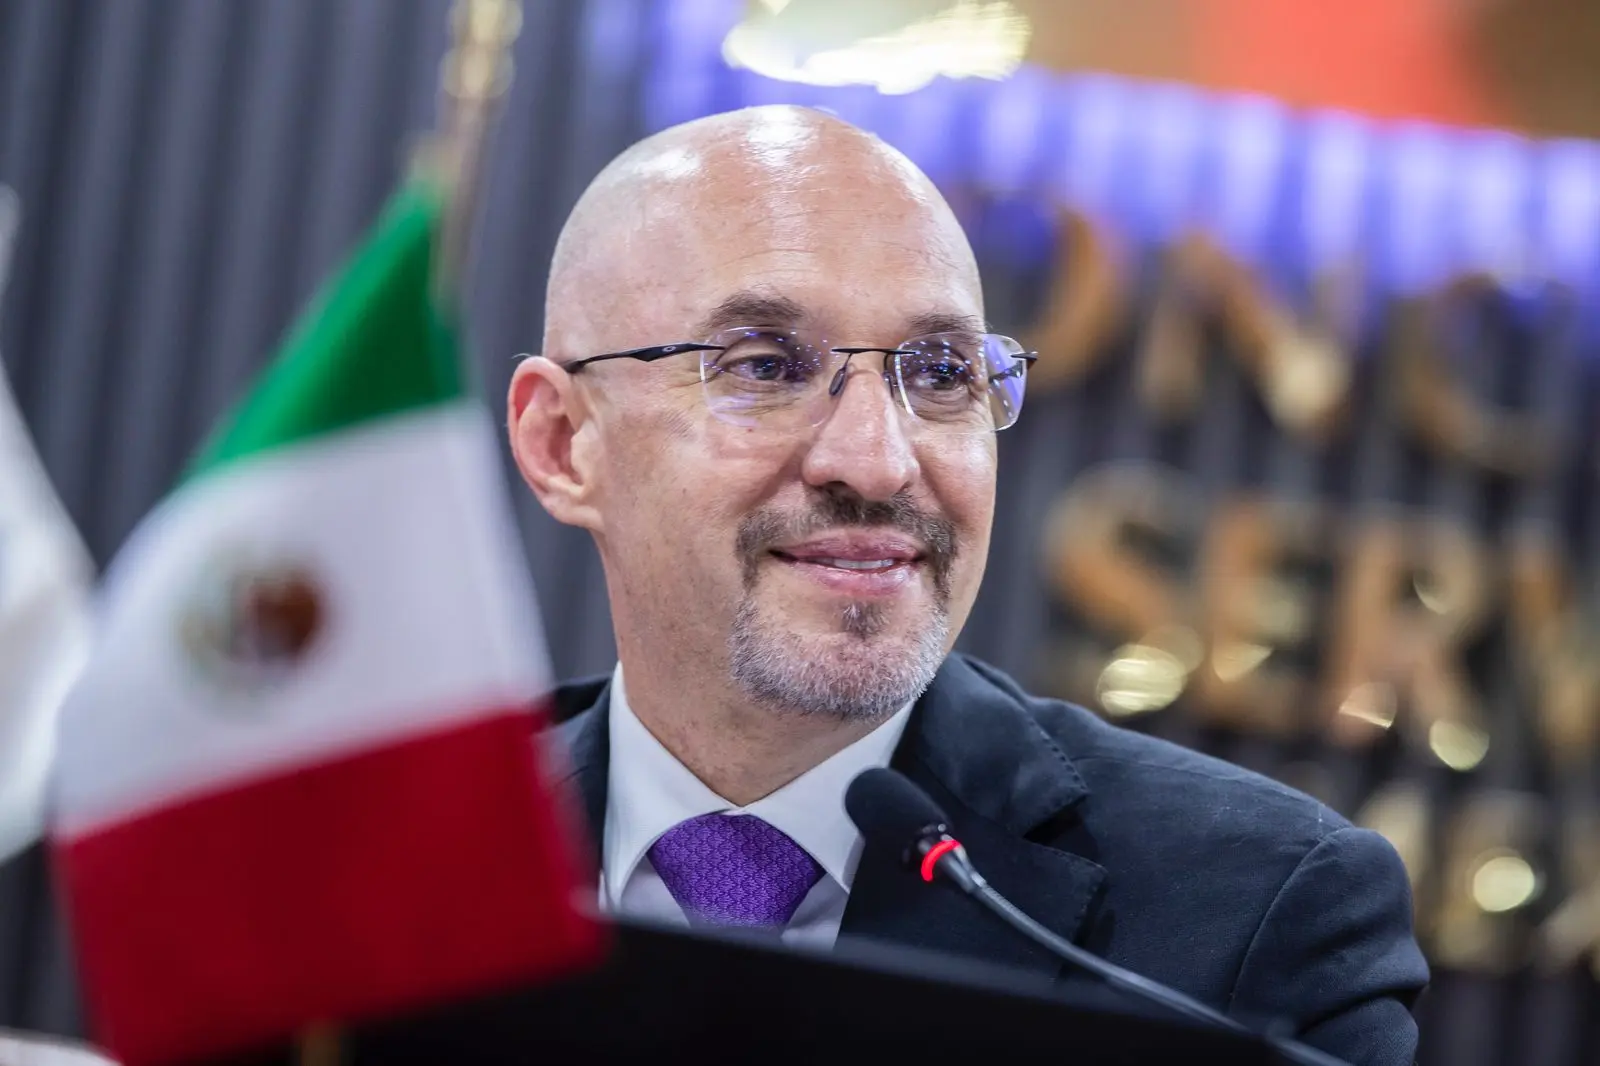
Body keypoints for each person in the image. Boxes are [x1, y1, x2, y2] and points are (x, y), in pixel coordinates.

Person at [507, 105, 1428, 1065]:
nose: (877, 462)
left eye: (941, 373)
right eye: (767, 367)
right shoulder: (409, 844)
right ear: (564, 443)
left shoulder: (1261, 914)